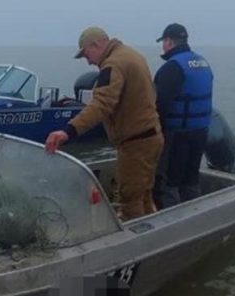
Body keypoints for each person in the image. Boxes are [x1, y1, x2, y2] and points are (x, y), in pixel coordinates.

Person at [45, 26, 163, 221]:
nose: (88, 61)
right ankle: (155, 231)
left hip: (135, 144)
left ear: (97, 44)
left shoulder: (113, 65)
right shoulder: (133, 55)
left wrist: (68, 131)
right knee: (144, 195)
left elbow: (101, 104)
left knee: (130, 200)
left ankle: (136, 245)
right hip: (151, 137)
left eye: (86, 54)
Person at [153, 23, 213, 208]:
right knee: (191, 179)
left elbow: (159, 106)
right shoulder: (203, 63)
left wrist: (155, 135)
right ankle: (195, 215)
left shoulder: (172, 68)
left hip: (177, 135)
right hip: (201, 132)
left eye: (163, 42)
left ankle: (169, 223)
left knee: (169, 183)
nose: (163, 46)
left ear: (169, 41)